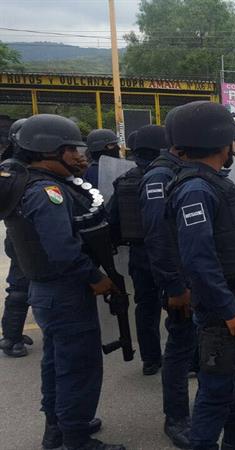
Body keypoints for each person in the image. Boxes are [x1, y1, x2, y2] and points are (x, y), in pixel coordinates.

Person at [165, 101, 235, 449]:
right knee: (216, 388)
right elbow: (199, 259)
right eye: (233, 140)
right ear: (220, 142)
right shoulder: (196, 190)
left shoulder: (214, 183)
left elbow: (228, 235)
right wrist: (228, 309)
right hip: (222, 303)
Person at [5, 114, 119, 449]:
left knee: (58, 362)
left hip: (49, 291)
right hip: (66, 291)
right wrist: (94, 277)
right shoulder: (48, 191)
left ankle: (59, 427)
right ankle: (76, 438)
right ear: (47, 151)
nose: (80, 156)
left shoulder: (29, 184)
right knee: (78, 368)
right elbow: (62, 249)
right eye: (71, 150)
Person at [139, 112, 194, 448]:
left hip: (191, 276)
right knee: (179, 347)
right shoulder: (160, 175)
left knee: (191, 344)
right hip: (178, 280)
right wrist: (174, 286)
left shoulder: (176, 170)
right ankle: (176, 418)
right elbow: (158, 236)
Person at [106, 125, 167, 377]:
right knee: (181, 305)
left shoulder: (124, 180)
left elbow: (112, 222)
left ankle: (151, 360)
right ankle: (188, 359)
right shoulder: (169, 176)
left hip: (140, 255)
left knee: (146, 307)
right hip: (169, 254)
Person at [0, 118, 34, 358]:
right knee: (20, 287)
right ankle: (11, 338)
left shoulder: (15, 165)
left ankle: (13, 334)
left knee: (21, 285)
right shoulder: (14, 168)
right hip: (23, 233)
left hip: (20, 233)